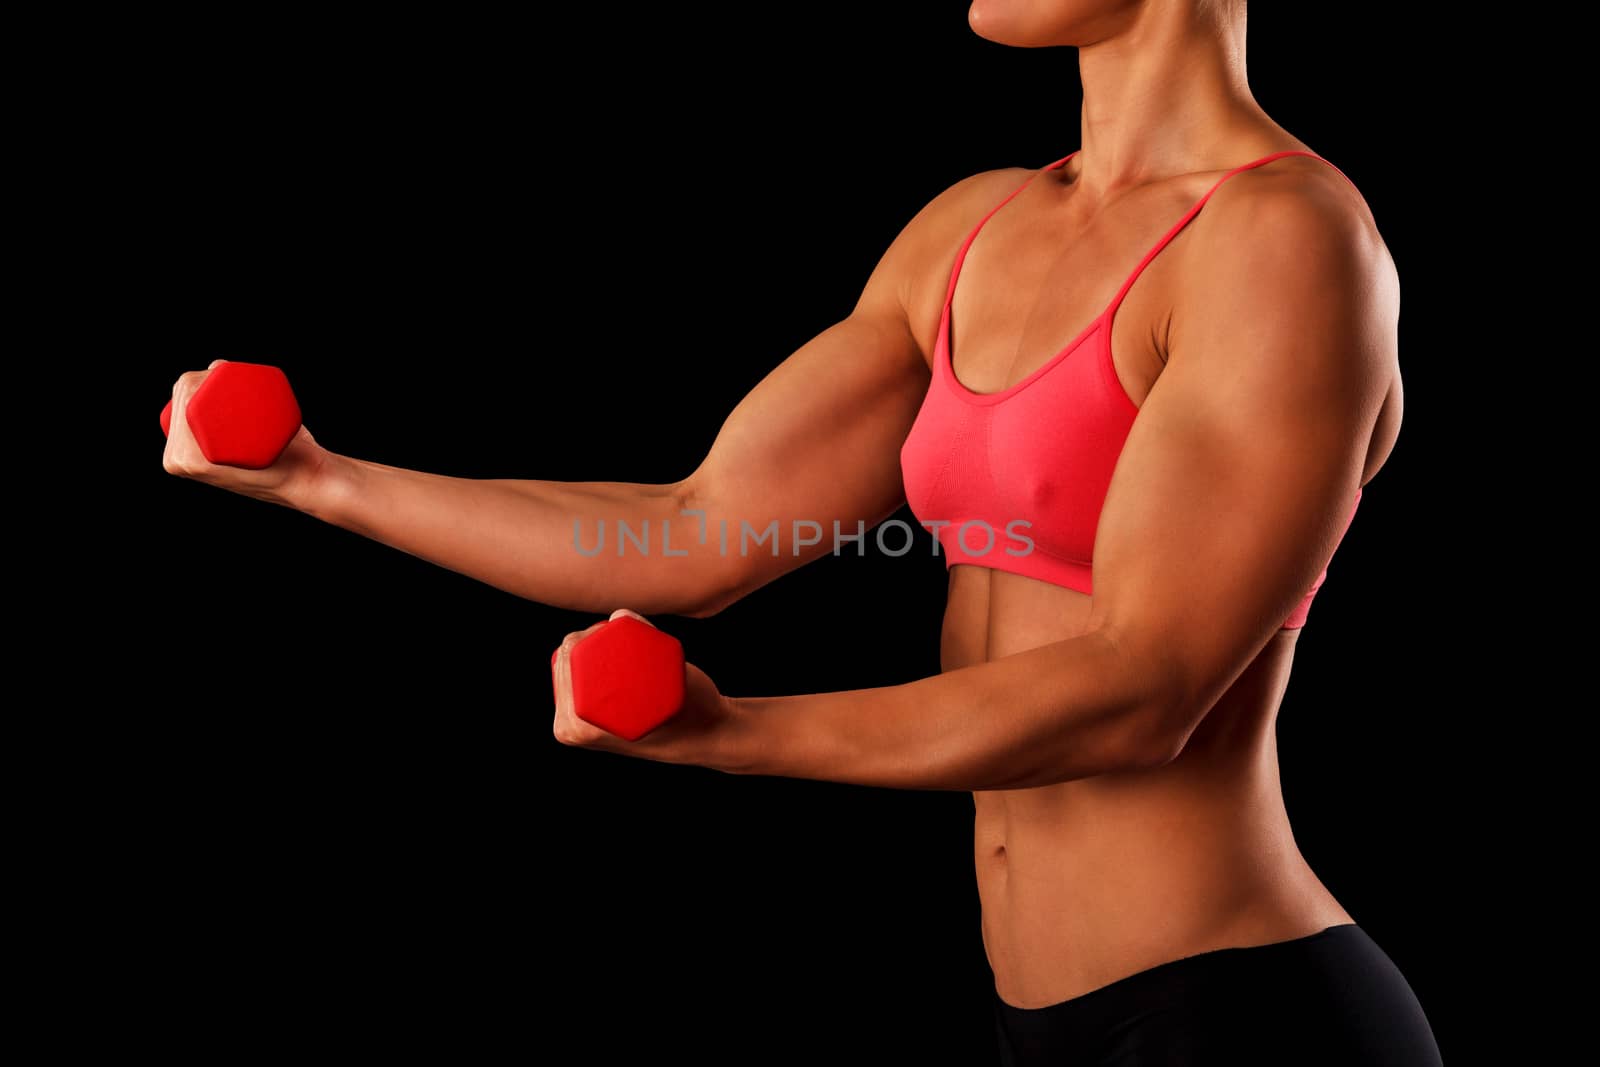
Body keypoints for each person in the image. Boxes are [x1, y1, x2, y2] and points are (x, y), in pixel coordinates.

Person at [162, 1, 1440, 1062]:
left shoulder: (1282, 242)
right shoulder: (972, 229)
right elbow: (695, 533)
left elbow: (1141, 685)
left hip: (1245, 1011)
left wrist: (739, 735)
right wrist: (323, 480)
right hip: (1042, 1019)